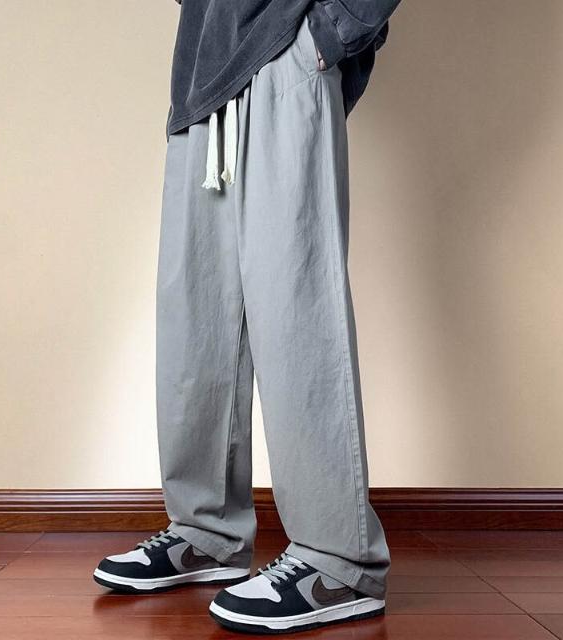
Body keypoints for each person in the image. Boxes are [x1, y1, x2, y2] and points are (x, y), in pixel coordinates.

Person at [93, 0, 402, 633]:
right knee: (196, 321)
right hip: (202, 75)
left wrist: (334, 28)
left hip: (284, 47)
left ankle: (339, 562)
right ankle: (206, 531)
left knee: (296, 311)